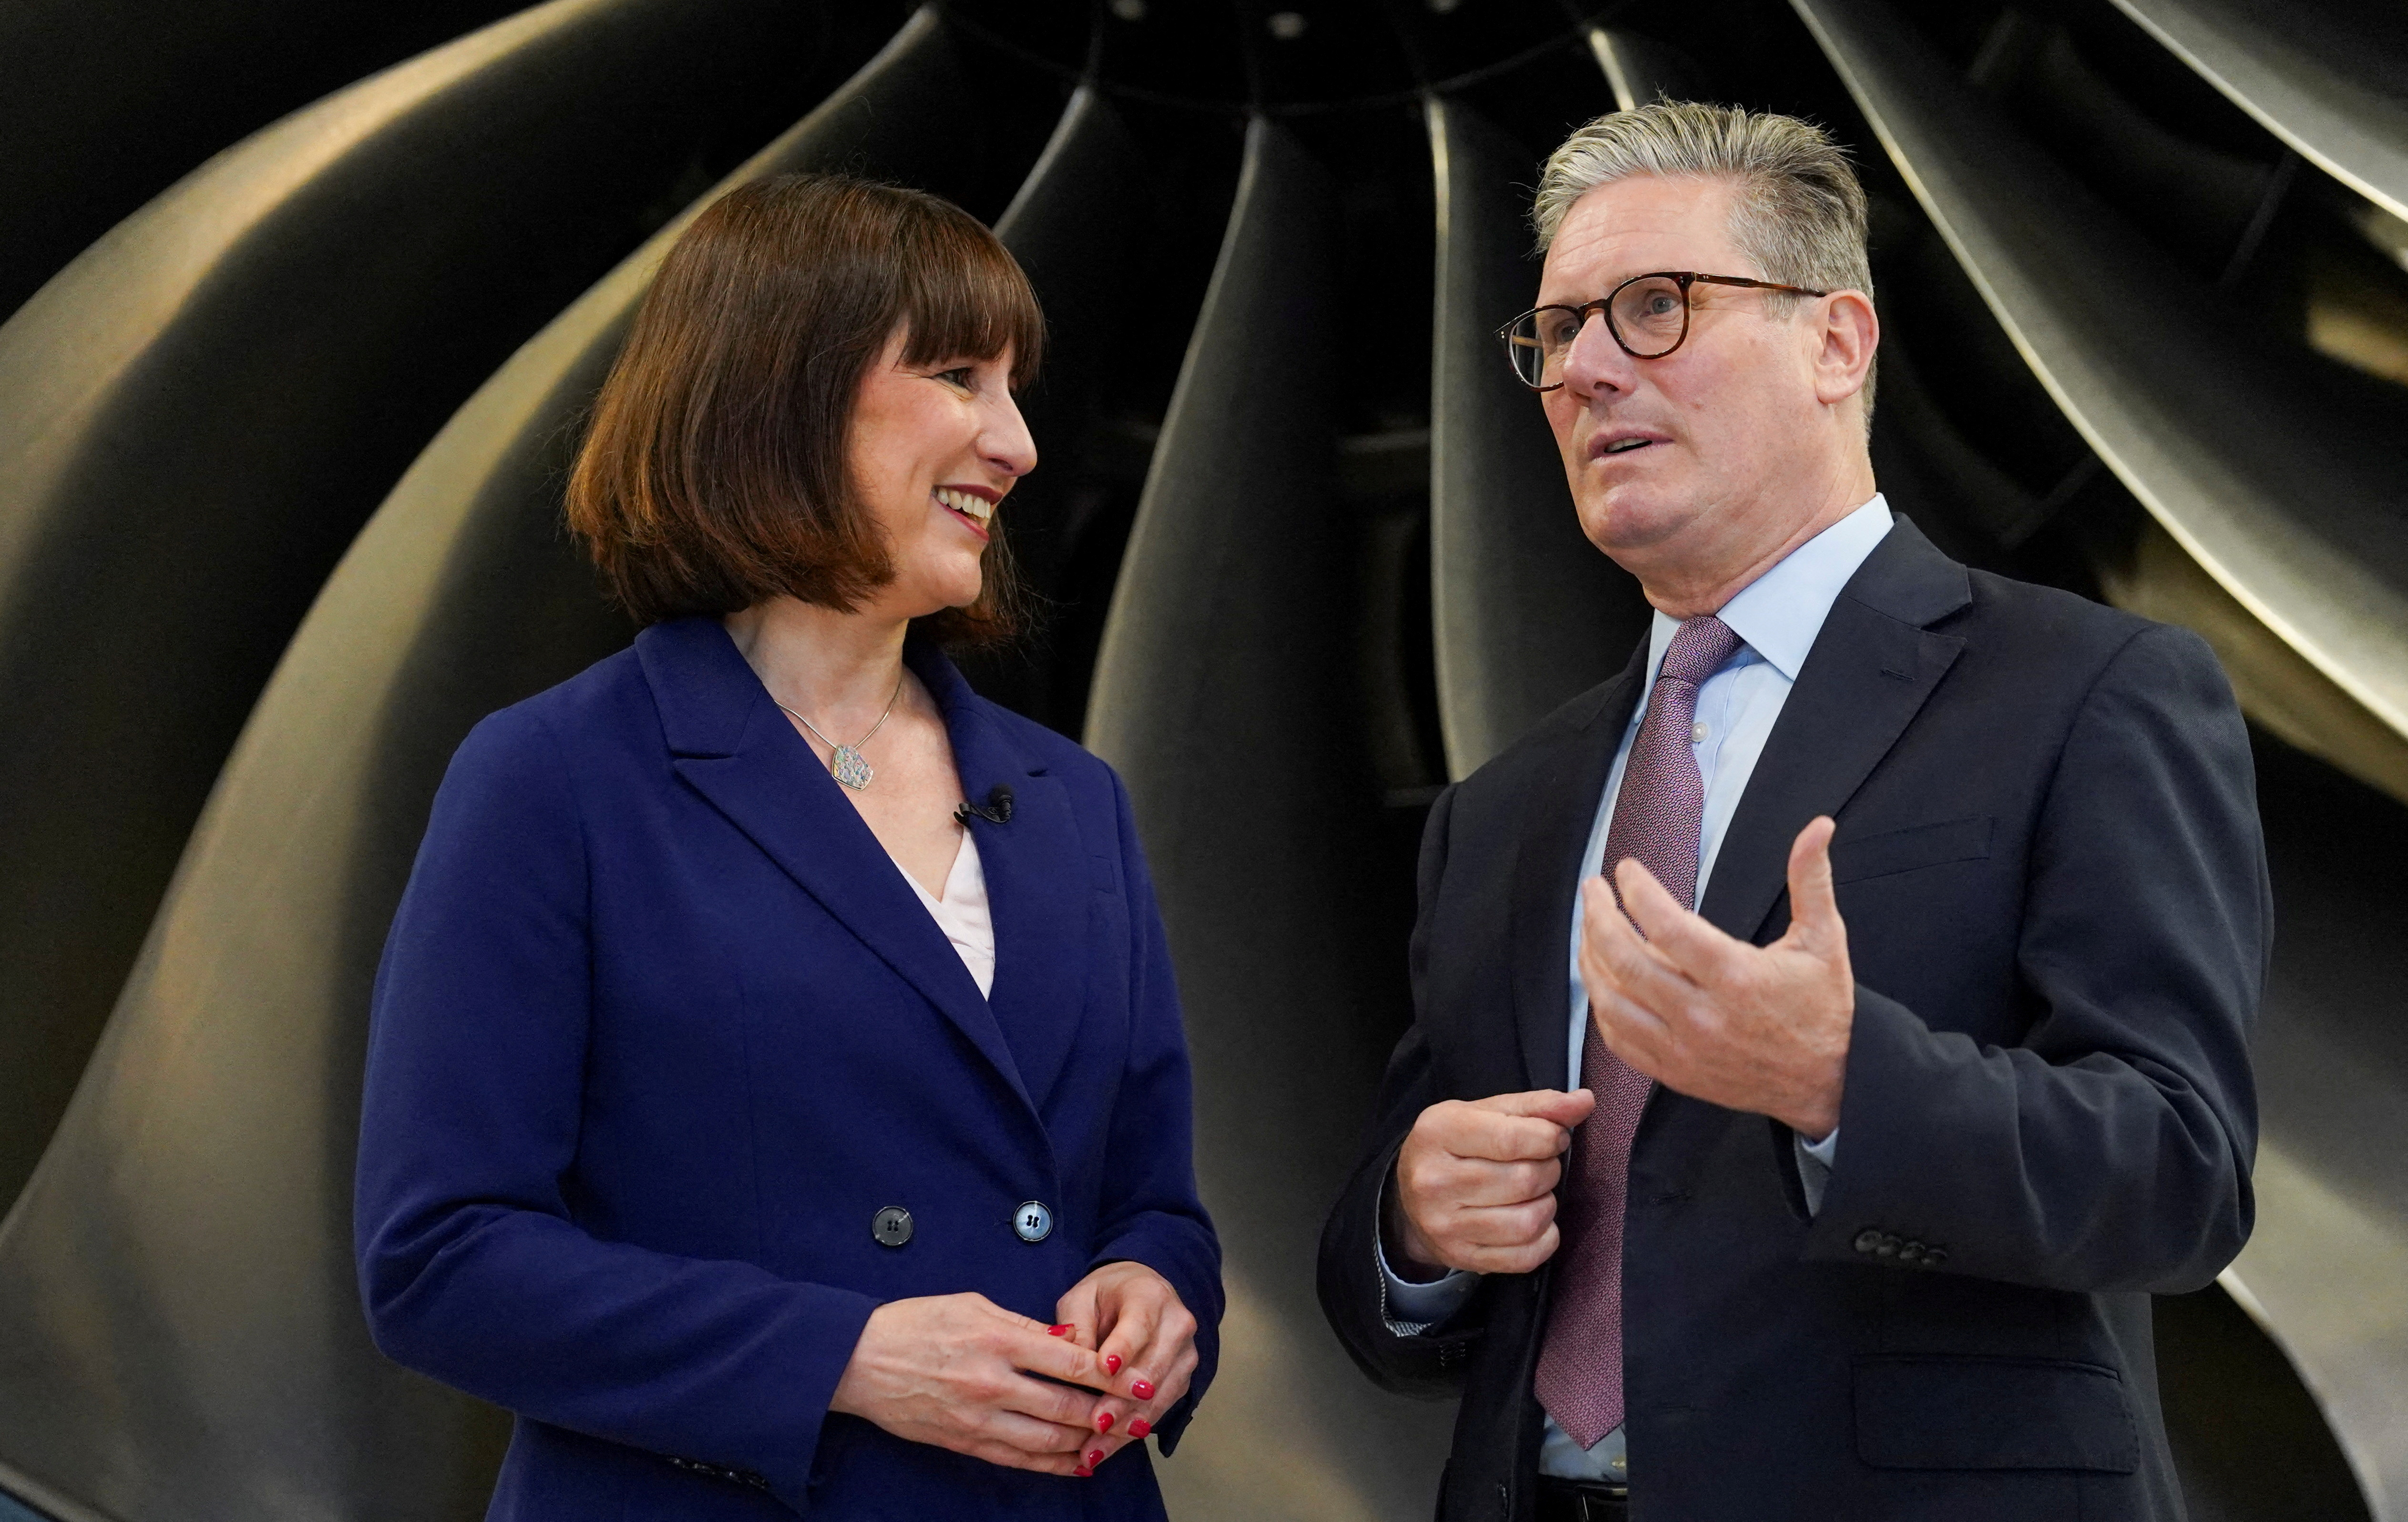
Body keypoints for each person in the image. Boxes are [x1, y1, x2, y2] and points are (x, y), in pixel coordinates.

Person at [1317, 102, 2264, 1522]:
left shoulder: (2089, 691)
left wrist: (1839, 1079)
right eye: (1557, 330)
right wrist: (1412, 1223)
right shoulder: (1500, 811)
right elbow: (1389, 1269)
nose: (1581, 369)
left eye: (1652, 308)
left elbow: (2179, 1175)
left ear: (1834, 343)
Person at [355, 173, 1220, 1520]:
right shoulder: (554, 778)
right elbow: (441, 1261)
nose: (1018, 443)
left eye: (1014, 388)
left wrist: (1161, 1292)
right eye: (956, 375)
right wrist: (845, 1359)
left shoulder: (1073, 798)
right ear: (782, 391)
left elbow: (1151, 1199)